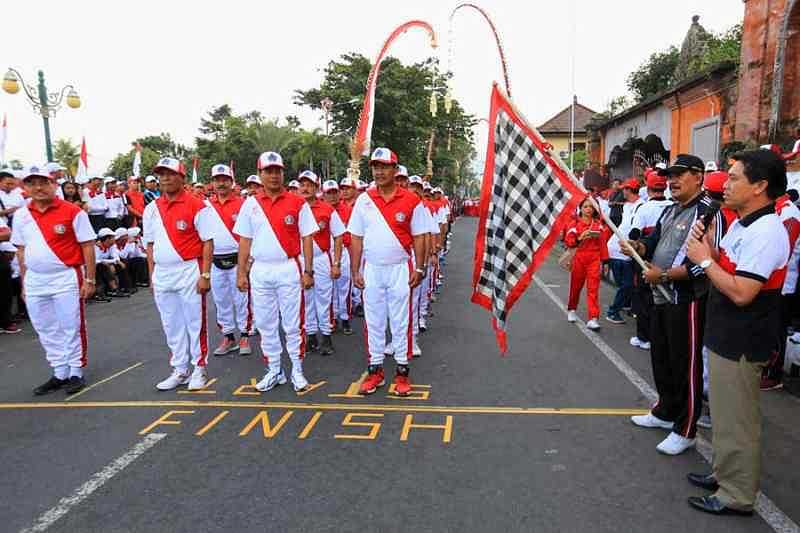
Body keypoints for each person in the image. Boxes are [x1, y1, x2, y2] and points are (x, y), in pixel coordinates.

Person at [684, 149, 789, 516]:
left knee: (739, 421)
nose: (724, 185)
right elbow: (725, 268)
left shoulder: (767, 231)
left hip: (743, 340)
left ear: (760, 186)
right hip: (726, 334)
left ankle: (737, 494)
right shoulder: (745, 224)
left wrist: (704, 259)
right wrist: (708, 249)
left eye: (733, 178)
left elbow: (743, 292)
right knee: (726, 416)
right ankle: (723, 474)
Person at [626, 154, 724, 456]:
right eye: (670, 175)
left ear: (698, 176)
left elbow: (708, 262)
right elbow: (653, 242)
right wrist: (638, 247)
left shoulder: (710, 211)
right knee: (662, 360)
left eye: (680, 174)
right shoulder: (669, 210)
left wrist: (665, 274)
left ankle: (686, 428)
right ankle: (664, 411)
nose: (673, 180)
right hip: (659, 297)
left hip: (687, 300)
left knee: (686, 366)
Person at [233, 151, 317, 392]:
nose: (273, 175)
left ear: (283, 173)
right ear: (260, 174)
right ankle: (274, 369)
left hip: (288, 268)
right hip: (260, 270)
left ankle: (297, 370)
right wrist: (241, 273)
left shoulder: (297, 202)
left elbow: (308, 237)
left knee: (293, 323)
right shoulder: (250, 204)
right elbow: (245, 242)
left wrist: (308, 271)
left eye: (277, 171)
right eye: (268, 171)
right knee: (266, 323)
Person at [348, 147, 428, 396]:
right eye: (376, 167)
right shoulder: (364, 200)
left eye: (385, 166)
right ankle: (376, 371)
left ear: (395, 169)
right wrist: (355, 270)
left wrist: (420, 267)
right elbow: (357, 237)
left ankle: (402, 372)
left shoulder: (411, 200)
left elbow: (421, 236)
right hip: (372, 269)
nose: (380, 171)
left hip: (399, 269)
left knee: (400, 320)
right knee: (373, 320)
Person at [10, 164, 97, 395]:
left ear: (53, 184)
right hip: (35, 279)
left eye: (43, 182)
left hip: (65, 276)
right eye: (32, 183)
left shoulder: (72, 211)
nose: (38, 187)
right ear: (25, 187)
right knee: (44, 326)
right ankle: (60, 371)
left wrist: (90, 279)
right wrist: (24, 283)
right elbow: (20, 250)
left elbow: (88, 245)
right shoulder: (21, 215)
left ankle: (76, 370)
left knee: (71, 324)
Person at [143, 157, 214, 391]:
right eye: (161, 174)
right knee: (171, 323)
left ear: (182, 177)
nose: (165, 178)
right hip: (163, 273)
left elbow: (207, 242)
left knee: (194, 321)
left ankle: (199, 369)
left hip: (188, 270)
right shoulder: (151, 209)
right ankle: (180, 369)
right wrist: (152, 275)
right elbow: (150, 245)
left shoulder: (197, 205)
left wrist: (205, 275)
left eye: (170, 173)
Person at [206, 163, 252, 357]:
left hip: (238, 260)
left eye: (225, 180)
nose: (221, 183)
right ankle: (228, 337)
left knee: (241, 299)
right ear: (212, 183)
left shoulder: (244, 204)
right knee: (221, 300)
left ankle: (244, 336)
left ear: (232, 182)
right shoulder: (205, 206)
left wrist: (249, 261)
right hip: (215, 261)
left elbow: (250, 234)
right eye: (217, 180)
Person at [298, 171, 345, 355]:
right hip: (300, 260)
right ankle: (310, 336)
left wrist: (336, 263)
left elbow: (339, 236)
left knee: (324, 298)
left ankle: (326, 335)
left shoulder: (327, 209)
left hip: (321, 259)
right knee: (306, 299)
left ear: (317, 187)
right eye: (302, 184)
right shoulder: (294, 207)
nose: (305, 188)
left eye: (309, 184)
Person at [628, 171, 673, 349]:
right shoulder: (674, 206)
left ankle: (644, 337)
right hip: (668, 259)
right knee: (664, 298)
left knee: (644, 297)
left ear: (648, 187)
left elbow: (634, 233)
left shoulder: (644, 208)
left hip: (646, 259)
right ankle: (661, 336)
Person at [565, 196, 609, 330]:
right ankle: (572, 309)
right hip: (579, 257)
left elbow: (602, 244)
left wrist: (605, 261)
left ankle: (593, 318)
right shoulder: (574, 224)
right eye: (585, 206)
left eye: (591, 206)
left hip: (594, 259)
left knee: (593, 289)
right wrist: (580, 237)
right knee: (576, 287)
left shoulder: (598, 225)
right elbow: (569, 242)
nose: (588, 209)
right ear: (580, 208)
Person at [605, 178, 642, 324]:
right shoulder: (626, 206)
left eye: (624, 189)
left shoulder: (641, 206)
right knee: (625, 285)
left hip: (626, 250)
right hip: (616, 249)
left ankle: (616, 309)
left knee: (626, 285)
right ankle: (617, 309)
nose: (622, 192)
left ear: (628, 190)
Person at [324, 179, 354, 334]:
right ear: (323, 194)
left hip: (344, 251)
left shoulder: (347, 210)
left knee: (344, 287)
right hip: (326, 253)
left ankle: (346, 317)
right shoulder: (320, 210)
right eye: (329, 193)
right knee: (329, 289)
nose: (332, 196)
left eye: (335, 192)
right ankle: (333, 317)